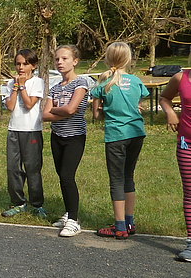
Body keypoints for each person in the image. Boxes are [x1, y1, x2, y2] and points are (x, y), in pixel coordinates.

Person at [91, 42, 148, 239]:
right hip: (136, 133)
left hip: (116, 135)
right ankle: (130, 221)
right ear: (128, 59)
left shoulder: (103, 83)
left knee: (116, 179)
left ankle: (120, 226)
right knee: (128, 176)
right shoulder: (136, 81)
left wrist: (103, 109)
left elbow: (96, 115)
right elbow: (138, 104)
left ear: (107, 59)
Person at [42, 45, 91, 238]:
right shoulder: (55, 88)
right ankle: (69, 212)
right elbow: (45, 115)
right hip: (57, 137)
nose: (60, 62)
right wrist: (61, 111)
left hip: (75, 137)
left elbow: (72, 109)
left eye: (64, 59)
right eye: (57, 59)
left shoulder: (81, 83)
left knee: (67, 175)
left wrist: (58, 109)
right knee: (62, 176)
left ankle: (74, 220)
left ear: (75, 61)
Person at [2, 49, 47, 219]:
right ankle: (18, 202)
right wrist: (15, 87)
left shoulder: (37, 82)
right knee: (13, 168)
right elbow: (10, 106)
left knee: (32, 168)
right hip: (14, 129)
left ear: (33, 66)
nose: (21, 67)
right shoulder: (10, 83)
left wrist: (22, 86)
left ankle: (37, 204)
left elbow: (29, 104)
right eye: (18, 64)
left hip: (32, 130)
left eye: (25, 64)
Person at [158, 67, 191, 260]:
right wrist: (170, 112)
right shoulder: (181, 77)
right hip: (187, 144)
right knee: (190, 193)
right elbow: (164, 98)